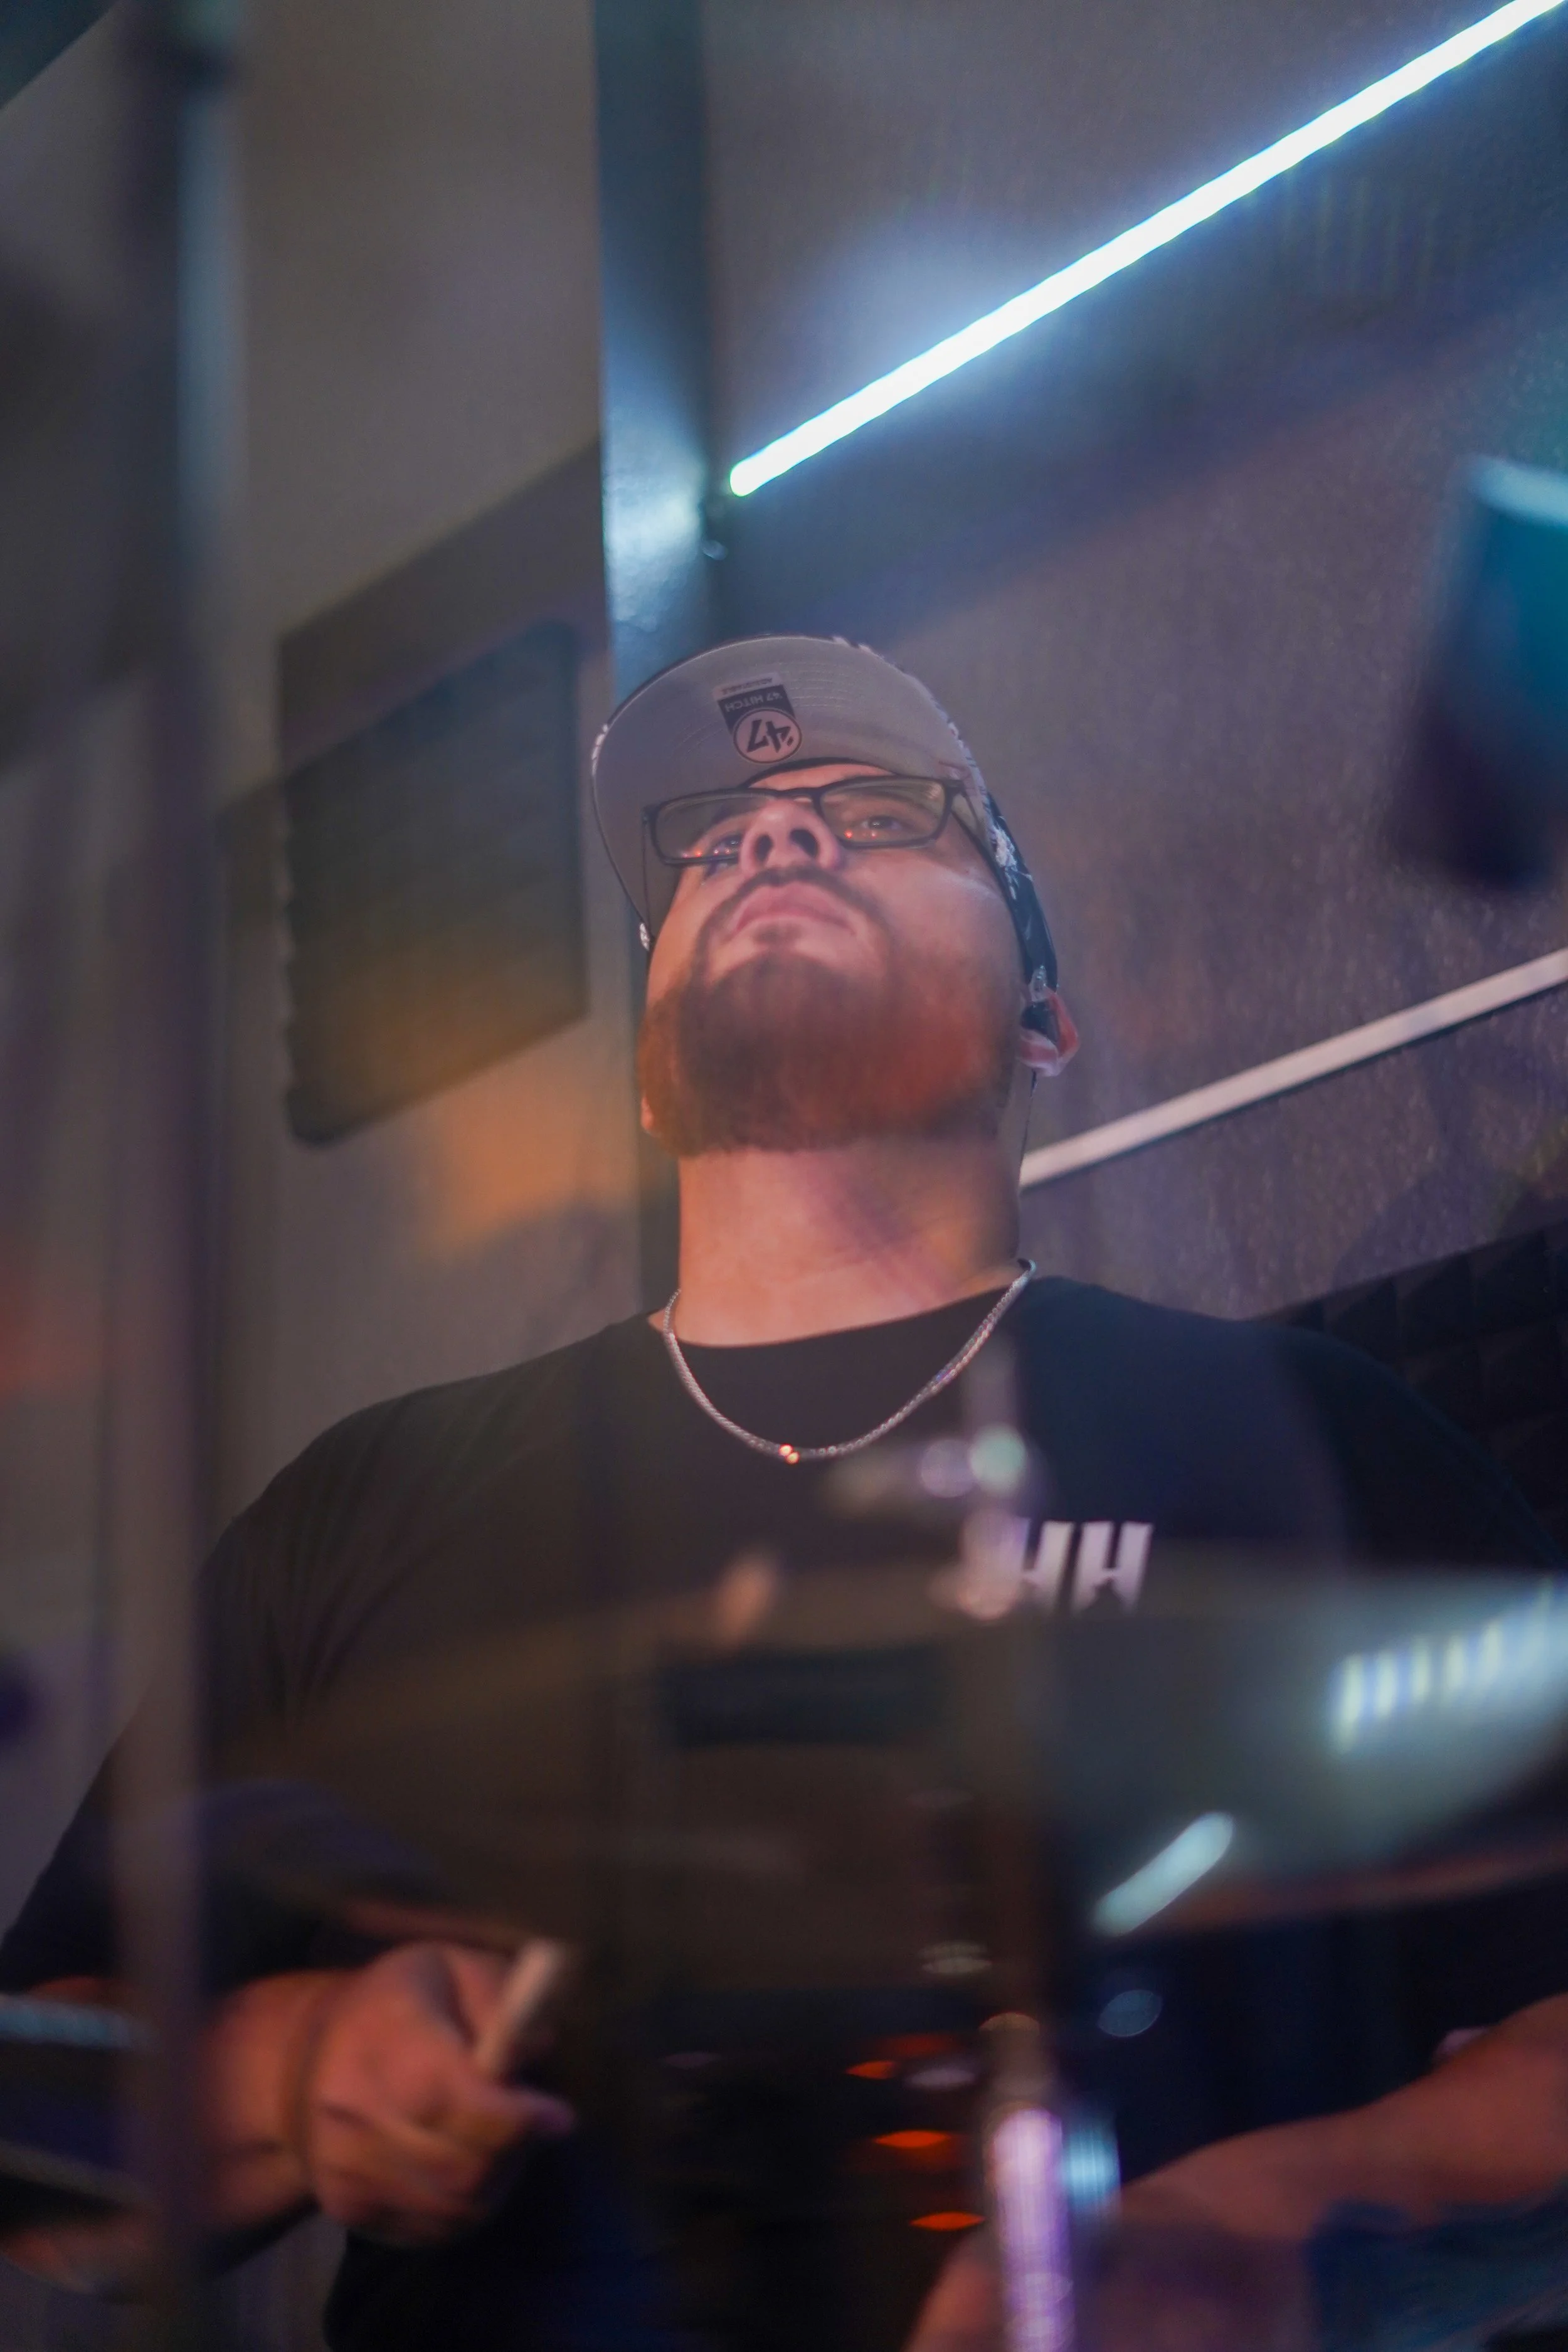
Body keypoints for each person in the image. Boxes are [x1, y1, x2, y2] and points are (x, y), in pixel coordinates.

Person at [1, 634, 1565, 2352]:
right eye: (710, 843)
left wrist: (1274, 2217)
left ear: (1042, 1015)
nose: (769, 838)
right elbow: (34, 2119)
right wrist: (289, 2068)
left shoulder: (1307, 1438)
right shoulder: (365, 1509)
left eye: (882, 811)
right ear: (645, 1060)